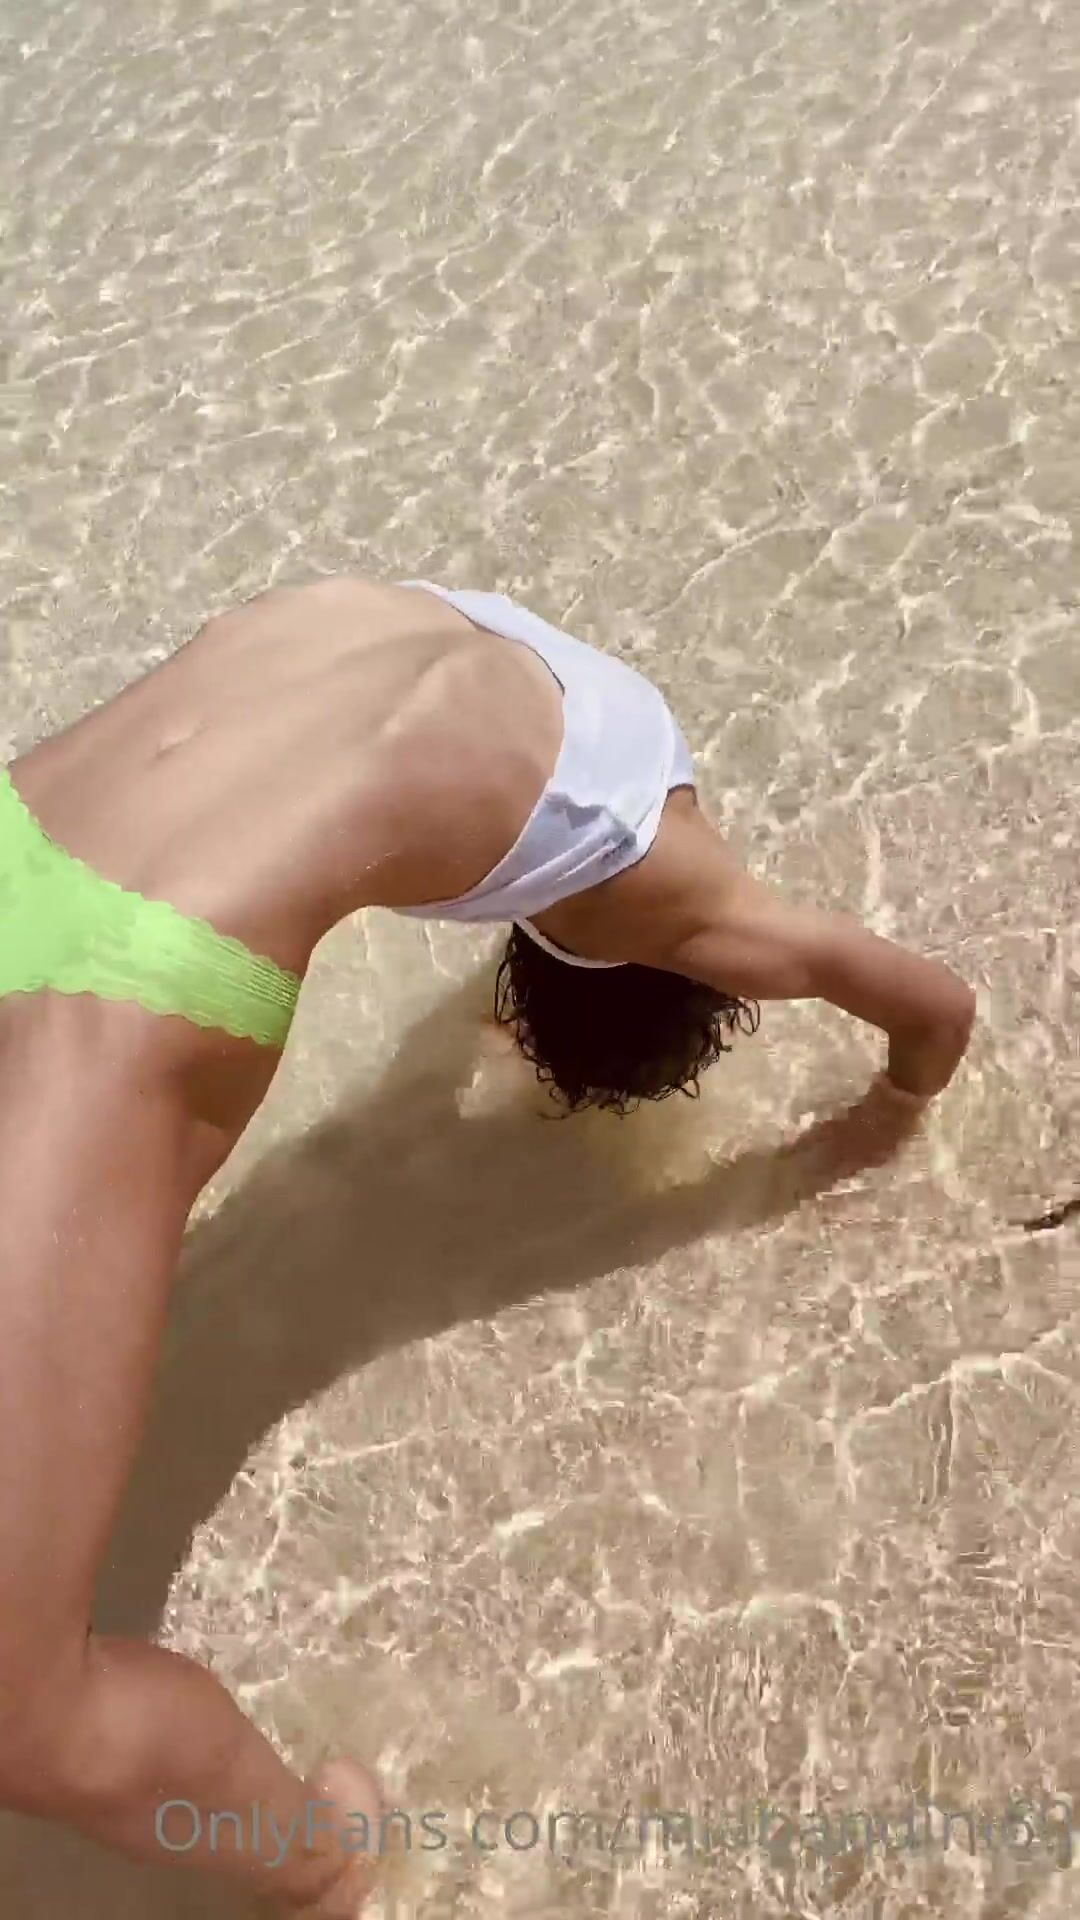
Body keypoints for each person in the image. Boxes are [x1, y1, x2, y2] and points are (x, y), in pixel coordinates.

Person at [0, 575, 975, 1911]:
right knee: (25, 1712)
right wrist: (891, 1120)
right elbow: (936, 1006)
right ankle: (324, 1862)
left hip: (27, 828)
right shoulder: (678, 903)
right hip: (116, 982)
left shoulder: (490, 661)